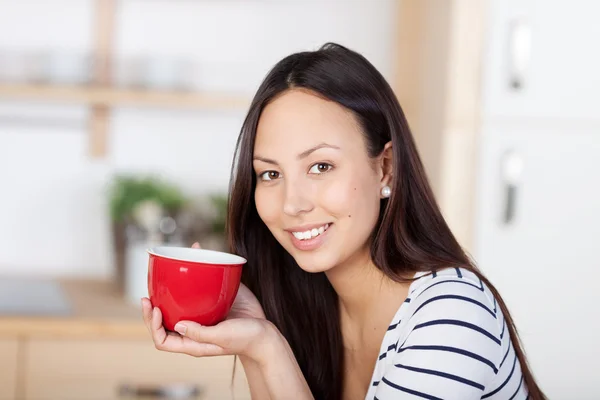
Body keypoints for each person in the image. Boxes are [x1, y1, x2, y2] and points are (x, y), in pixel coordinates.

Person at [141, 43, 547, 400]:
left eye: (321, 166)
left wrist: (269, 350)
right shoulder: (311, 305)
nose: (292, 205)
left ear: (385, 168)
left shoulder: (449, 313)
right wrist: (259, 344)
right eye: (270, 174)